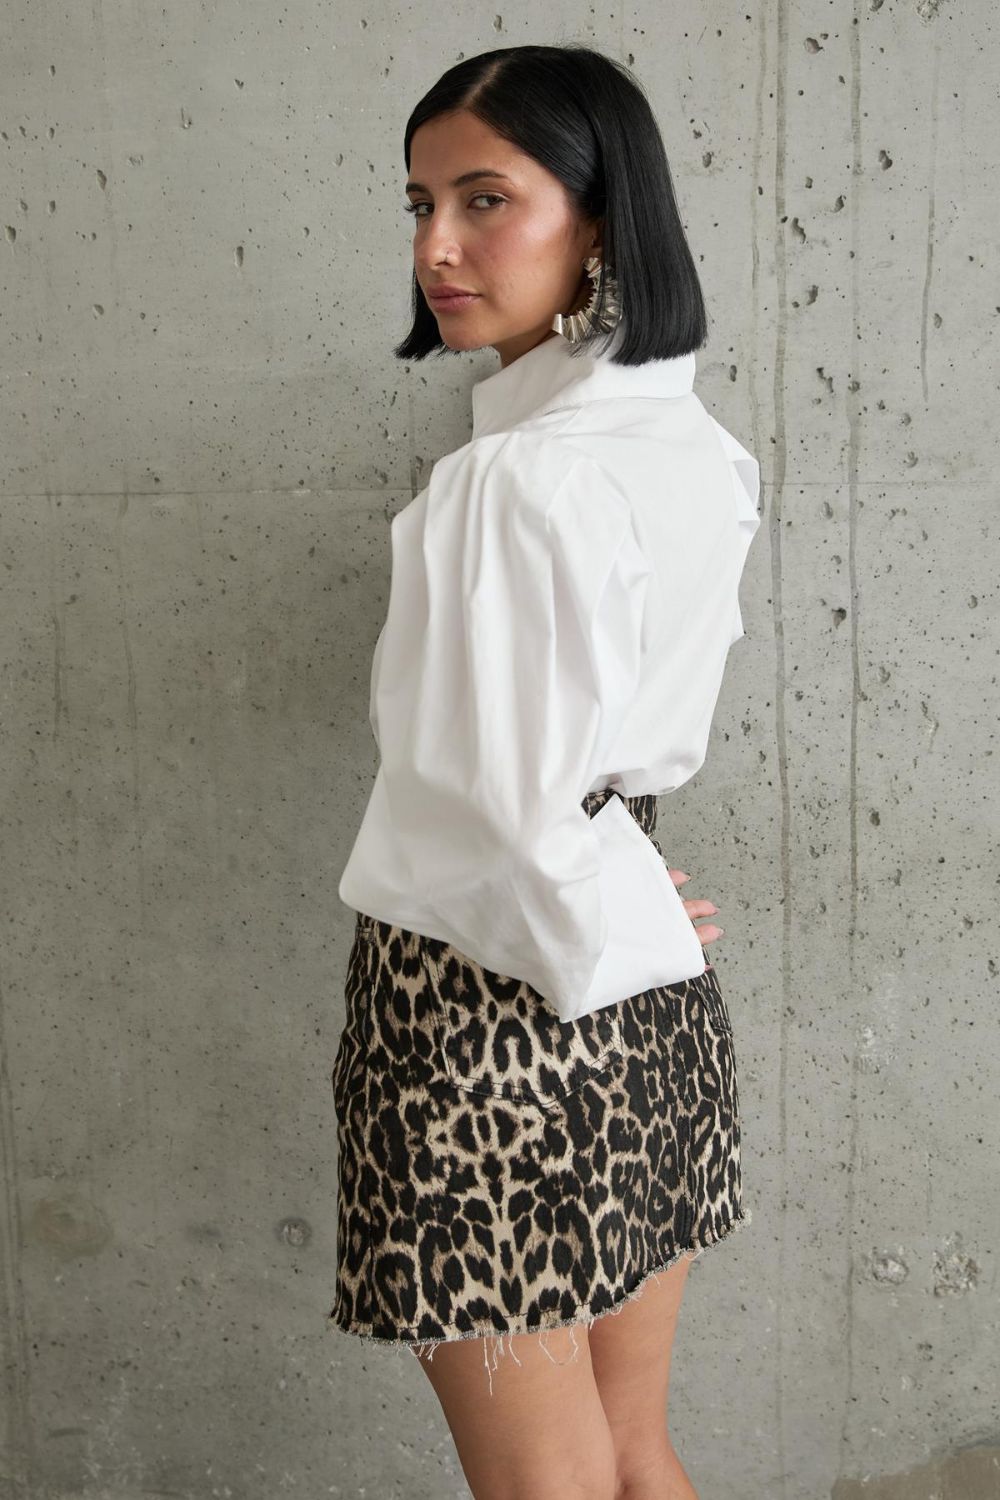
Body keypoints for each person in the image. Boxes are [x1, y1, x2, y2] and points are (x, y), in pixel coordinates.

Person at [329, 43, 761, 1500]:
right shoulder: (693, 447)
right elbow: (575, 784)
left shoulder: (516, 480)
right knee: (633, 1456)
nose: (436, 248)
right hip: (644, 1009)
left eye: (486, 199)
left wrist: (609, 903)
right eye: (420, 204)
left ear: (600, 216)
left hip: (481, 1019)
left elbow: (501, 826)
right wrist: (629, 904)